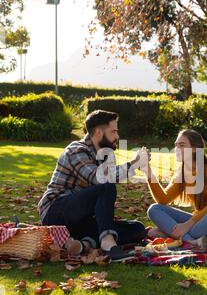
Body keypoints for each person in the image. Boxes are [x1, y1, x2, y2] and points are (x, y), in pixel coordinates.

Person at [38, 109, 148, 262]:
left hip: (80, 220)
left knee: (137, 229)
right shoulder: (76, 150)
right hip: (56, 213)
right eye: (113, 132)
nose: (117, 136)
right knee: (106, 185)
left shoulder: (106, 155)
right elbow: (98, 178)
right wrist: (134, 164)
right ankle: (107, 244)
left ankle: (83, 244)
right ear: (97, 132)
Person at [143, 129, 207, 248]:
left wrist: (186, 225)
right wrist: (147, 171)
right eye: (176, 145)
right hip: (200, 224)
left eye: (182, 145)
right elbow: (163, 200)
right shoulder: (182, 172)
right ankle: (192, 241)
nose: (177, 149)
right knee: (154, 209)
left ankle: (169, 233)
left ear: (194, 148)